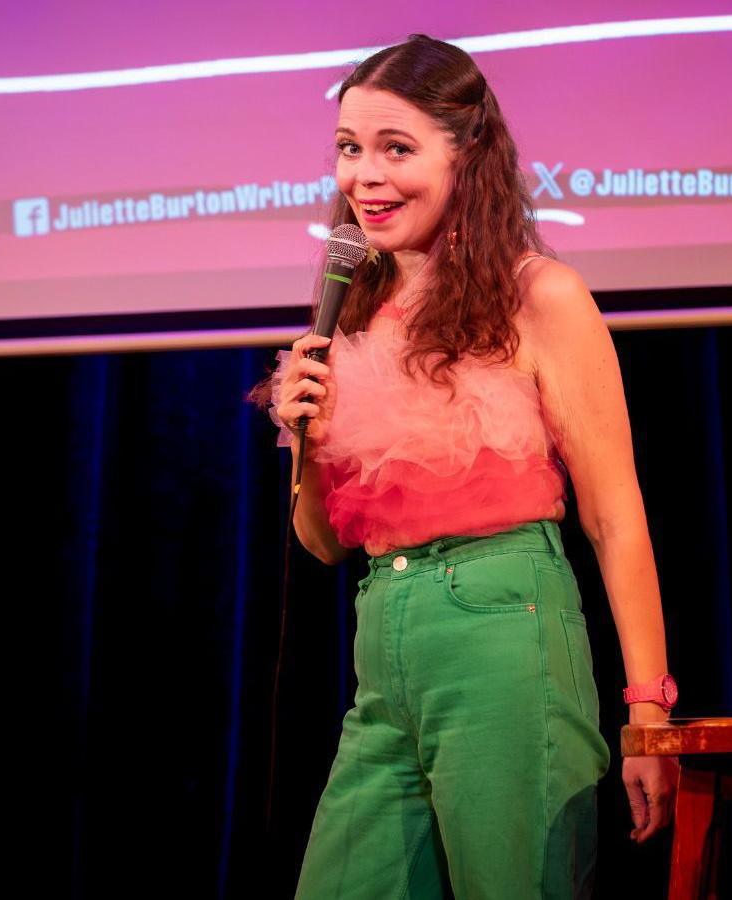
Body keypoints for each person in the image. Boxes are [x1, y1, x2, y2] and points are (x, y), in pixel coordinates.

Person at [263, 34, 679, 900]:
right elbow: (322, 544)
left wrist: (647, 710)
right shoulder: (353, 315)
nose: (364, 177)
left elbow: (613, 514)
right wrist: (302, 435)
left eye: (396, 149)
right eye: (349, 148)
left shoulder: (539, 296)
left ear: (467, 152)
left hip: (501, 624)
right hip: (386, 638)